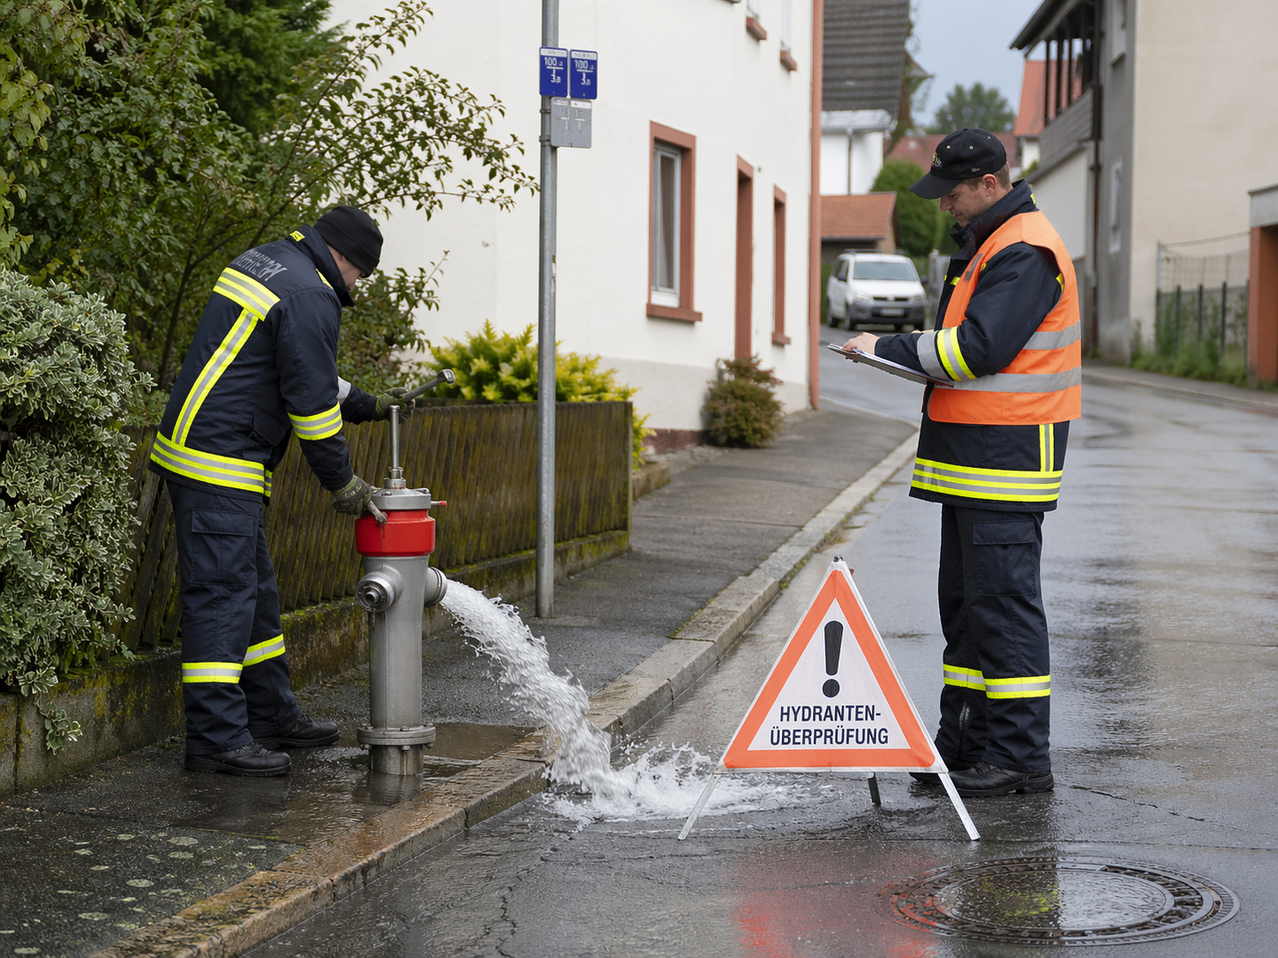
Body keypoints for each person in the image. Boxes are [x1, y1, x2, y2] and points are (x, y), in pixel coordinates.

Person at [842, 128, 1081, 797]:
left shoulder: (1025, 249)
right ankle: (966, 745)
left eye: (952, 193)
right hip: (978, 463)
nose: (944, 204)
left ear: (988, 185)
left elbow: (976, 350)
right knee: (970, 612)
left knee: (1002, 611)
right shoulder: (990, 244)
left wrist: (886, 348)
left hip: (1004, 463)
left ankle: (1020, 759)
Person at [150, 206, 418, 777]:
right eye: (360, 276)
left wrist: (367, 403)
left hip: (211, 455)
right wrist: (343, 483)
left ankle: (270, 714)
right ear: (345, 258)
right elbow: (312, 409)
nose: (356, 287)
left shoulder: (275, 264)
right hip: (217, 464)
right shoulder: (309, 293)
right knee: (222, 602)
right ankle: (217, 740)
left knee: (255, 599)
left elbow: (299, 364)